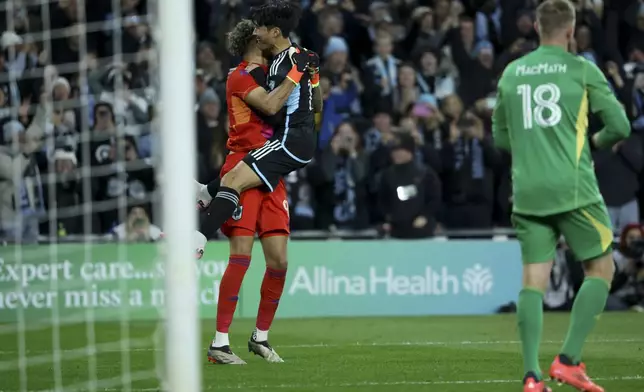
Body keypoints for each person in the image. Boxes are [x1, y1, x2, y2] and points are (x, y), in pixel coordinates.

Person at [491, 1, 631, 391]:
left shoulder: (512, 73)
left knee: (533, 281)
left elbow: (500, 137)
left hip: (528, 191)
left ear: (537, 27)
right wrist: (592, 143)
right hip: (573, 189)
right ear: (571, 31)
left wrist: (533, 152)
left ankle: (531, 376)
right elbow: (619, 126)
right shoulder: (582, 70)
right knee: (601, 269)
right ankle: (568, 360)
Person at [201, 19, 296, 366]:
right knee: (241, 256)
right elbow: (270, 107)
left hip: (273, 168)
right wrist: (296, 77)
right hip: (244, 166)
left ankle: (260, 337)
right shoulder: (239, 75)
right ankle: (220, 344)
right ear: (254, 39)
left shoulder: (273, 74)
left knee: (279, 260)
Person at [195, 0, 322, 254]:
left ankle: (198, 239)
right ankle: (207, 194)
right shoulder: (300, 54)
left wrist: (294, 76)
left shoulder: (280, 66)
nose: (256, 33)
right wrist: (314, 76)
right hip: (302, 140)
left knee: (233, 180)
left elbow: (272, 108)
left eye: (260, 28)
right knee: (234, 178)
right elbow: (316, 105)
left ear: (275, 32)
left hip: (289, 140)